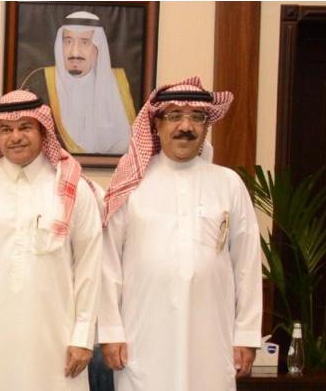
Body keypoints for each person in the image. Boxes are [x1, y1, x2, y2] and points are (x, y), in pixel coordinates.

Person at [99, 77, 262, 391]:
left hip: (212, 336)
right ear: (156, 124)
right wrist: (110, 332)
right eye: (174, 116)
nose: (185, 126)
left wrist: (246, 335)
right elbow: (108, 263)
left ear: (206, 126)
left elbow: (247, 264)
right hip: (143, 335)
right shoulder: (130, 184)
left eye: (196, 117)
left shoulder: (227, 183)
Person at [0, 90, 103, 391]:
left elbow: (89, 268)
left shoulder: (74, 188)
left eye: (25, 127)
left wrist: (83, 336)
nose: (15, 137)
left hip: (54, 340)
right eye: (6, 129)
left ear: (43, 131)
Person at [25, 11, 134, 155]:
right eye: (68, 42)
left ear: (98, 48)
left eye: (85, 42)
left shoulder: (121, 84)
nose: (75, 52)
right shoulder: (39, 82)